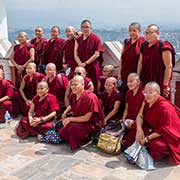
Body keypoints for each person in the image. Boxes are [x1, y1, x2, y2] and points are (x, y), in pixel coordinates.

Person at [135, 82, 180, 165]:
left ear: (158, 93)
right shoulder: (146, 101)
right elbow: (140, 116)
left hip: (167, 135)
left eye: (150, 92)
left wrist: (146, 139)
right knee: (133, 132)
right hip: (152, 128)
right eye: (145, 92)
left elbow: (163, 129)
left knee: (157, 147)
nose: (147, 95)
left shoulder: (166, 108)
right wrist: (139, 128)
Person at [58, 75, 104, 150]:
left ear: (83, 85)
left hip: (91, 123)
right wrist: (65, 112)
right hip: (78, 119)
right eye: (72, 85)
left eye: (76, 84)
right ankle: (71, 137)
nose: (73, 87)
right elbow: (72, 105)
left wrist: (70, 119)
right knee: (62, 127)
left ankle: (86, 140)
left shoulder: (90, 97)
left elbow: (87, 118)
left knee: (71, 127)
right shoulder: (73, 94)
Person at [137, 24, 176, 100]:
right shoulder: (144, 46)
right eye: (146, 33)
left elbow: (169, 66)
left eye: (150, 33)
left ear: (157, 33)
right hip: (146, 80)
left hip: (160, 81)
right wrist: (138, 77)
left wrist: (165, 85)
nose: (147, 35)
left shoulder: (164, 46)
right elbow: (140, 62)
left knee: (160, 103)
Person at [74, 20, 104, 90]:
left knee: (94, 86)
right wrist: (80, 64)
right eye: (83, 27)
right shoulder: (78, 39)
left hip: (92, 66)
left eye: (87, 27)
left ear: (91, 28)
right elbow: (75, 54)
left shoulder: (96, 38)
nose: (85, 29)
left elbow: (97, 54)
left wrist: (85, 63)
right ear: (81, 28)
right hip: (81, 67)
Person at [119, 22, 145, 96]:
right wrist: (119, 73)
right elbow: (122, 58)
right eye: (130, 30)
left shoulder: (142, 42)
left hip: (134, 73)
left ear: (139, 31)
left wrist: (137, 76)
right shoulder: (126, 41)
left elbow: (140, 61)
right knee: (124, 93)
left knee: (134, 93)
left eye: (134, 30)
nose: (132, 33)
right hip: (124, 73)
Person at [121, 73, 144, 148]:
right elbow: (126, 109)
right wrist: (123, 119)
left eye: (131, 81)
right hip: (129, 119)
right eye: (127, 82)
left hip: (138, 121)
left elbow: (142, 113)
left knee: (126, 143)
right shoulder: (128, 93)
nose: (128, 84)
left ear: (138, 82)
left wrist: (134, 122)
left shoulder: (143, 94)